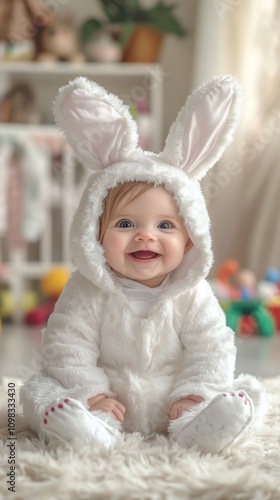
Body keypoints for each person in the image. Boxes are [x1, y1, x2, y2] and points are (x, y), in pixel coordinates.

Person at [20, 76, 267, 454]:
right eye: (125, 224)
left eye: (165, 226)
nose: (146, 236)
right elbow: (67, 345)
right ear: (95, 235)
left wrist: (194, 394)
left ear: (190, 238)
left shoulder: (194, 295)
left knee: (245, 391)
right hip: (107, 402)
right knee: (41, 391)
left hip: (173, 400)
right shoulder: (86, 290)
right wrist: (92, 393)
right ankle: (88, 431)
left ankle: (200, 427)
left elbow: (212, 348)